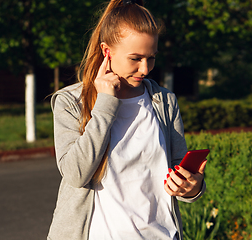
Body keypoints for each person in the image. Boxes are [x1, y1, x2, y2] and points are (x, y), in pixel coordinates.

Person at [47, 0, 207, 239]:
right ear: (106, 51)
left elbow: (178, 169)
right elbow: (75, 174)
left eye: (151, 58)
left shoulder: (164, 101)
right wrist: (105, 103)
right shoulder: (71, 102)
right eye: (135, 58)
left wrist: (192, 186)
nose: (145, 69)